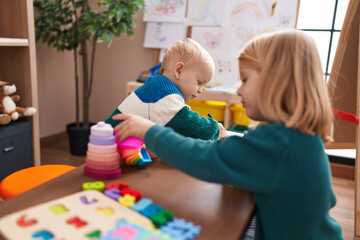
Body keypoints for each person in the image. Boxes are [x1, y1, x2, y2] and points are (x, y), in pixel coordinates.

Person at [111, 29, 343, 239]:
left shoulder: (278, 142)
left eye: (244, 80)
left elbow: (207, 159)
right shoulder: (300, 136)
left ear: (275, 84)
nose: (239, 89)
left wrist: (150, 132)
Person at [105, 38, 227, 140]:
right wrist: (214, 128)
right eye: (199, 82)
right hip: (108, 145)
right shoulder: (162, 92)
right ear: (179, 70)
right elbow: (187, 124)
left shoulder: (160, 87)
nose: (200, 90)